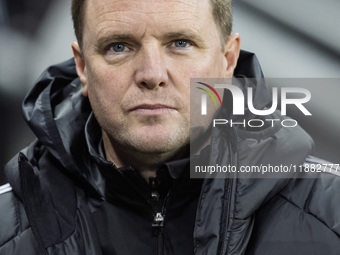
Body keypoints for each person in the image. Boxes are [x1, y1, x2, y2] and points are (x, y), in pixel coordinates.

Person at [0, 0, 339, 254]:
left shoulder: (333, 212)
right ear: (83, 67)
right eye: (119, 46)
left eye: (180, 43)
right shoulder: (6, 228)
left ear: (227, 60)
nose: (152, 74)